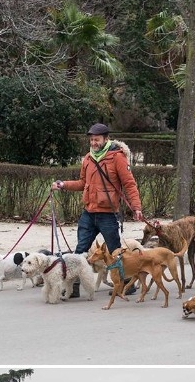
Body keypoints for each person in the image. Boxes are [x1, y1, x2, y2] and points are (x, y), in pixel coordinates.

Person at [52, 123, 143, 296]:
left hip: (108, 214)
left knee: (115, 251)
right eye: (91, 140)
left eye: (97, 140)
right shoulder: (88, 158)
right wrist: (63, 184)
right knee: (80, 251)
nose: (93, 143)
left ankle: (127, 285)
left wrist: (136, 207)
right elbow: (82, 183)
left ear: (106, 139)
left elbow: (129, 184)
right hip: (89, 212)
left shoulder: (117, 157)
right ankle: (73, 289)